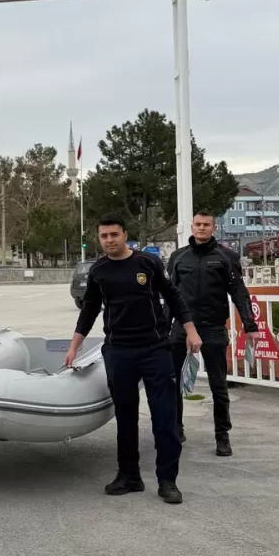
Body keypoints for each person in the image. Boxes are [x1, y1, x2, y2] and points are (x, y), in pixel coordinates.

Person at [64, 216, 202, 506]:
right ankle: (129, 476)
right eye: (104, 236)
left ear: (125, 234)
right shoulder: (99, 271)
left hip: (155, 349)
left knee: (164, 418)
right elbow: (88, 310)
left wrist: (190, 330)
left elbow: (173, 297)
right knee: (125, 418)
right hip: (118, 351)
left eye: (114, 234)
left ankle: (168, 481)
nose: (109, 240)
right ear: (99, 239)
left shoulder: (147, 265)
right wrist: (73, 347)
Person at [167, 211, 257, 457]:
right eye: (198, 224)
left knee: (219, 385)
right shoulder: (177, 257)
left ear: (214, 228)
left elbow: (239, 292)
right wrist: (163, 329)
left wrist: (250, 325)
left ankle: (222, 436)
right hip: (181, 328)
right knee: (172, 382)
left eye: (207, 225)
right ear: (192, 226)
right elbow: (169, 294)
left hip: (213, 328)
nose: (202, 228)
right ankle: (176, 429)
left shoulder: (226, 257)